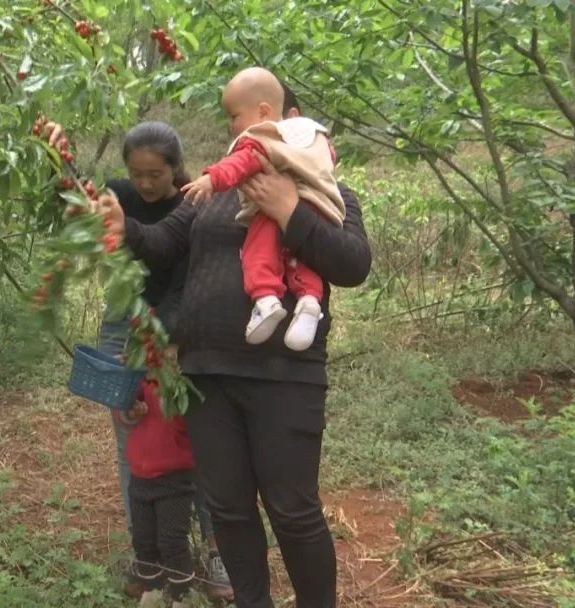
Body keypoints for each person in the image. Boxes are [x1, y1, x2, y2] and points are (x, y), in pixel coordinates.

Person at [90, 67, 373, 608]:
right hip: (205, 375)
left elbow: (353, 264)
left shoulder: (325, 192)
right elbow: (162, 243)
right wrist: (125, 228)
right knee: (230, 507)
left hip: (283, 376)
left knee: (292, 508)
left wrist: (287, 210)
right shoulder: (214, 193)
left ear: (291, 123)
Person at [41, 120, 233, 600]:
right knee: (134, 439)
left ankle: (216, 552)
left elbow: (186, 282)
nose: (145, 183)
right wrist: (55, 156)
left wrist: (164, 338)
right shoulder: (120, 194)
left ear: (176, 168)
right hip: (124, 323)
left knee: (197, 440)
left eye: (156, 174)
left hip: (179, 329)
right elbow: (77, 201)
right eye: (137, 173)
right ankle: (146, 555)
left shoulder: (193, 202)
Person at [181, 69, 345, 350]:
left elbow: (240, 163)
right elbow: (325, 161)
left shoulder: (263, 138)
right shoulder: (313, 137)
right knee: (304, 262)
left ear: (263, 111)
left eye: (233, 117)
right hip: (321, 208)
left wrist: (211, 179)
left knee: (259, 250)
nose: (231, 126)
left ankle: (265, 298)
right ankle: (309, 302)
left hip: (276, 218)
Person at [116, 374, 196, 608]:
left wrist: (171, 403)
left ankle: (182, 596)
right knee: (143, 539)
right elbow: (124, 413)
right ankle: (152, 590)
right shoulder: (140, 374)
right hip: (139, 474)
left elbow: (190, 420)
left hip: (174, 477)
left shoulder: (181, 378)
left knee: (172, 540)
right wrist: (131, 411)